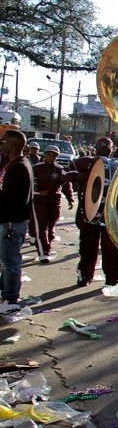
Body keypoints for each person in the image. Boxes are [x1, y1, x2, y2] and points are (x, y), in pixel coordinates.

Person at [63, 137, 118, 287]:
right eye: (102, 147)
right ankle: (85, 275)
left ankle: (113, 277)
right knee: (87, 245)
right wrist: (78, 176)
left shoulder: (117, 165)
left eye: (107, 148)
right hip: (89, 209)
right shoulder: (85, 161)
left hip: (108, 211)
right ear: (96, 147)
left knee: (111, 247)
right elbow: (64, 172)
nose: (105, 149)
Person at [0, 130, 34, 314]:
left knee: (9, 262)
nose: (1, 145)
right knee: (6, 262)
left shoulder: (19, 166)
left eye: (2, 142)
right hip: (14, 221)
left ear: (12, 144)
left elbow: (12, 197)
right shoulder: (22, 163)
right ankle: (6, 295)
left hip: (12, 222)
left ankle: (11, 300)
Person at [31, 144, 74, 262]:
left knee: (51, 227)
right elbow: (29, 185)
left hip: (54, 201)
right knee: (42, 226)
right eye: (49, 154)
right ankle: (43, 252)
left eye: (54, 155)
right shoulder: (36, 168)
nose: (51, 157)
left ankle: (47, 243)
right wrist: (39, 192)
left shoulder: (59, 170)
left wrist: (70, 199)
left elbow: (66, 186)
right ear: (44, 155)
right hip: (39, 201)